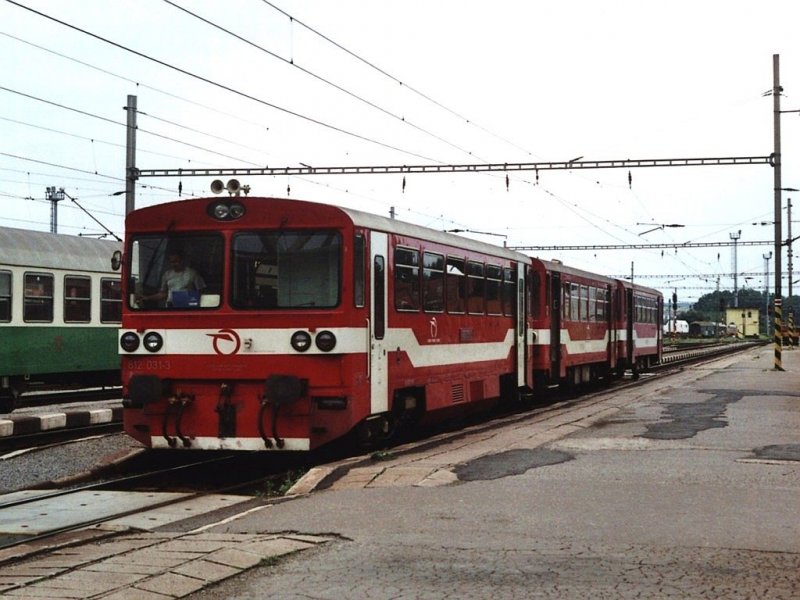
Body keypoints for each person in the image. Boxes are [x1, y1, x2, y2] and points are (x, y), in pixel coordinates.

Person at [138, 251, 205, 307]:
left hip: (188, 308)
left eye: (176, 261)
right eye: (172, 262)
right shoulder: (167, 274)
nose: (174, 264)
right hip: (171, 307)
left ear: (182, 261)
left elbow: (202, 291)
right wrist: (147, 298)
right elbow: (163, 294)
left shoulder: (192, 273)